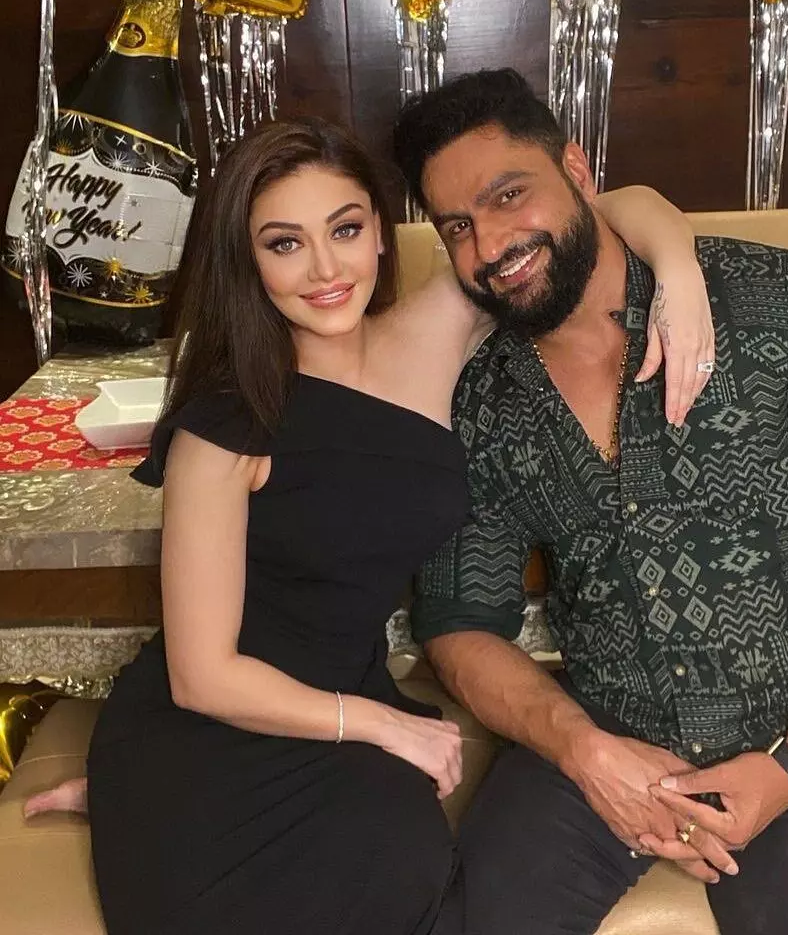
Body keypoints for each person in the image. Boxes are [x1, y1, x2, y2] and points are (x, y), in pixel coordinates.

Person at [23, 115, 714, 935]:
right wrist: (386, 728)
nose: (325, 269)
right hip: (225, 727)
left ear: (382, 235)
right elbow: (202, 679)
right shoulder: (228, 421)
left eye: (345, 230)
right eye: (285, 244)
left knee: (405, 888)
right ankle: (147, 789)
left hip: (338, 723)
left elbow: (596, 209)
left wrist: (679, 271)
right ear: (247, 260)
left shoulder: (438, 324)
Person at [391, 68, 788, 935]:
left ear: (577, 171)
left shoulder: (783, 302)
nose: (491, 242)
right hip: (605, 736)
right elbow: (459, 620)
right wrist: (585, 751)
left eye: (509, 194)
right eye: (458, 226)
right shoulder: (478, 396)